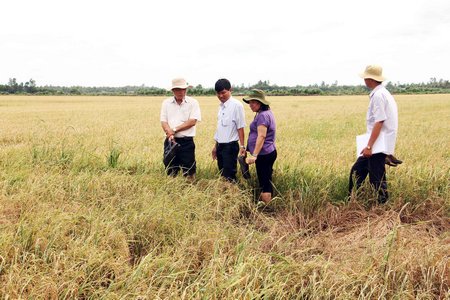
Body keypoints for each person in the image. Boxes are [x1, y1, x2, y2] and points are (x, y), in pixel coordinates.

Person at [349, 65, 398, 204]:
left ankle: (383, 208)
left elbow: (380, 121)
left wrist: (369, 146)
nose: (364, 80)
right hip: (379, 143)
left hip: (377, 145)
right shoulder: (384, 93)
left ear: (370, 79)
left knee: (377, 178)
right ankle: (352, 202)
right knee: (357, 171)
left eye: (365, 77)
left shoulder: (378, 96)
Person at [160, 78, 201, 179]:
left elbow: (192, 121)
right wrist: (170, 134)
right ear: (173, 90)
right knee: (171, 169)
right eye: (178, 89)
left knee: (189, 170)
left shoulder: (193, 103)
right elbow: (163, 121)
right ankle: (172, 190)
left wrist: (173, 130)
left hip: (186, 142)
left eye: (183, 89)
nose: (181, 92)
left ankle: (190, 190)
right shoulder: (166, 103)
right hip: (170, 141)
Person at [243, 89, 277, 204]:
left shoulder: (262, 116)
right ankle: (266, 206)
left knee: (264, 183)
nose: (250, 105)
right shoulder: (265, 113)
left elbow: (261, 136)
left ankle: (267, 212)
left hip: (264, 154)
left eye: (253, 102)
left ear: (260, 103)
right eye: (250, 102)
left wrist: (254, 155)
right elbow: (255, 134)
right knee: (265, 180)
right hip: (267, 152)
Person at [211, 79, 246, 182]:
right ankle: (225, 195)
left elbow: (240, 127)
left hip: (230, 147)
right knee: (222, 174)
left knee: (229, 175)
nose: (221, 96)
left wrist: (242, 146)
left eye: (223, 92)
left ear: (230, 90)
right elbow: (220, 128)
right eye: (218, 93)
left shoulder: (237, 105)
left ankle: (233, 195)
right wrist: (215, 146)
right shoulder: (221, 107)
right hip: (220, 146)